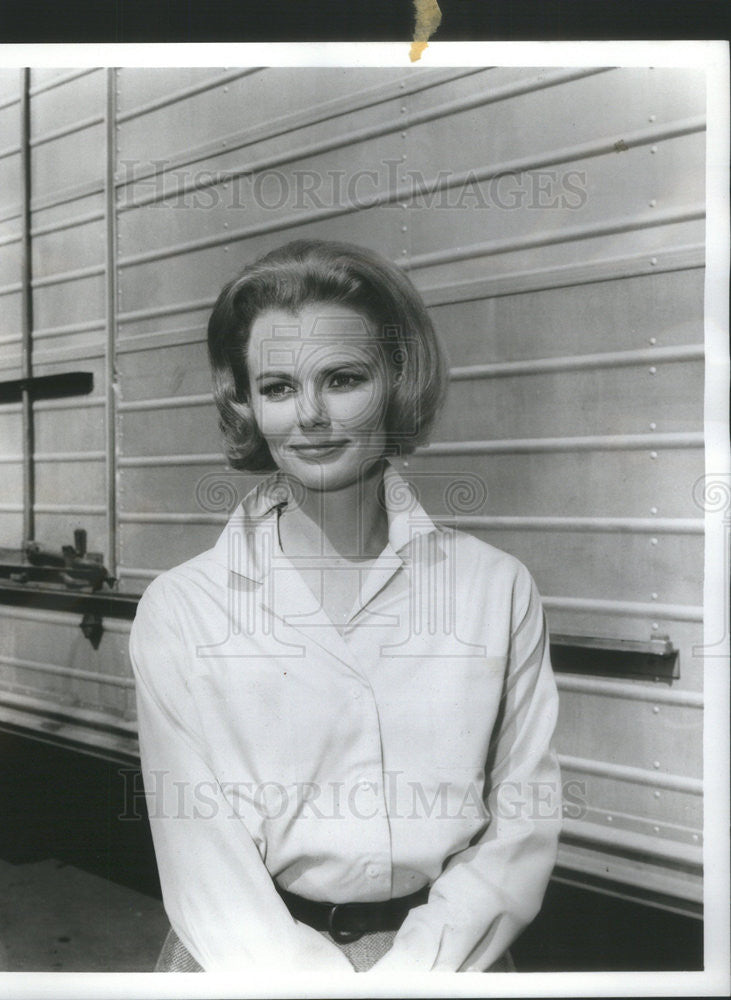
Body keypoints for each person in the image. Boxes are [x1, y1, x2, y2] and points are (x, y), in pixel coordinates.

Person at [129, 239, 561, 974]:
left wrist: (409, 975)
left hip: (451, 964)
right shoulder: (182, 609)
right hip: (243, 965)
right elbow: (202, 861)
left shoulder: (495, 588)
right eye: (276, 388)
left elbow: (521, 826)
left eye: (342, 379)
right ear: (243, 402)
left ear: (396, 382)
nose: (310, 416)